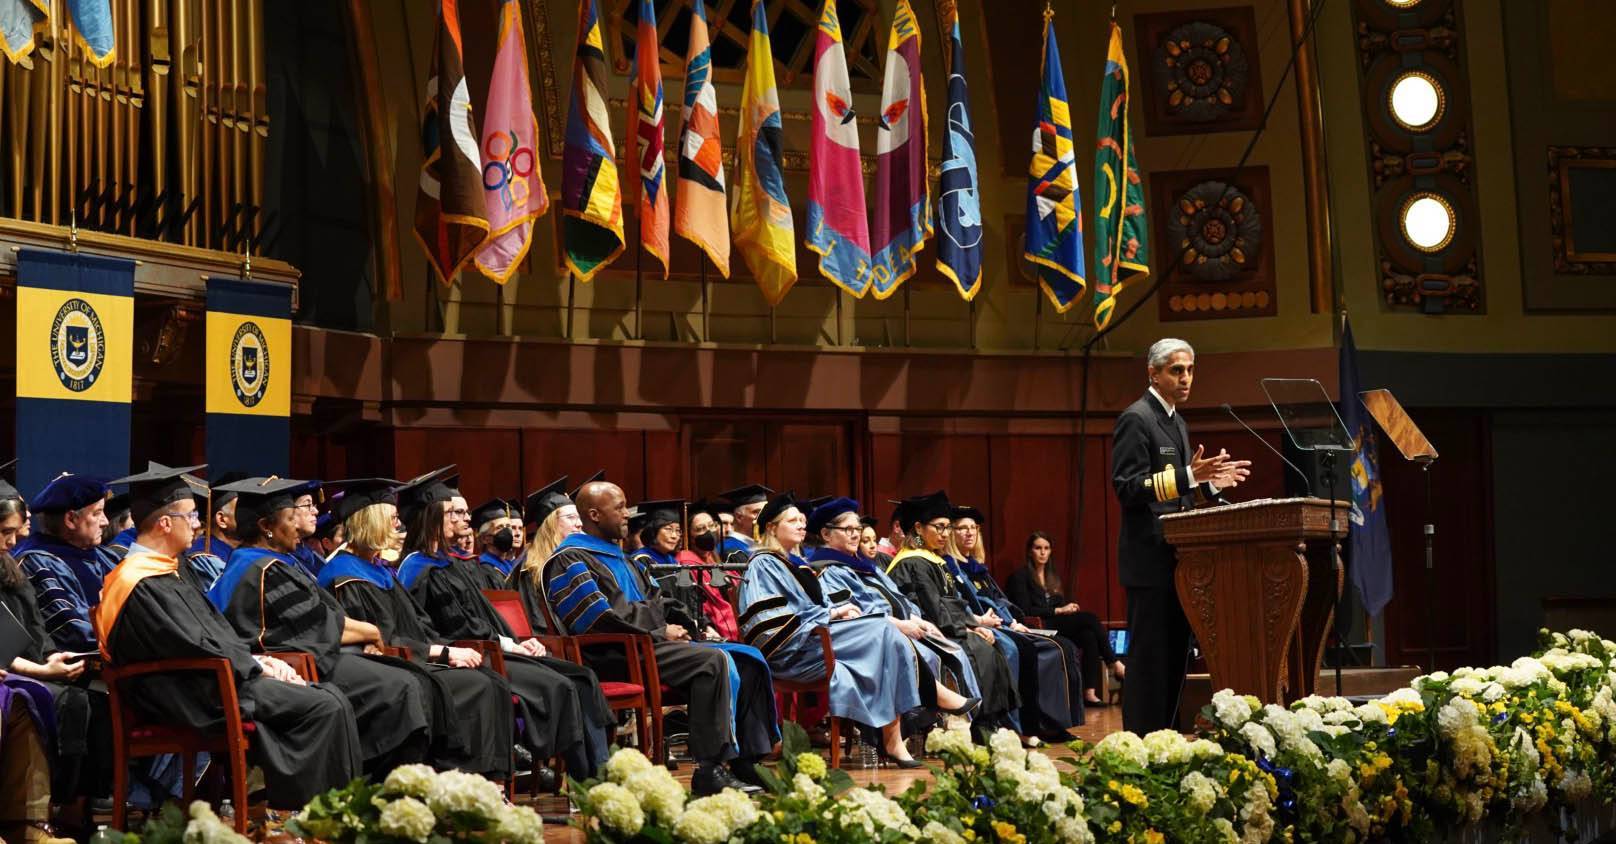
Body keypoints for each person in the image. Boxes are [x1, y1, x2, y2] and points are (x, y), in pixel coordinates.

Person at [96, 465, 362, 809]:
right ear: (165, 523)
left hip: (214, 680)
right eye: (190, 515)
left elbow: (211, 633)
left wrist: (259, 660)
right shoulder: (138, 581)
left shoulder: (169, 570)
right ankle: (302, 816)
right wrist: (255, 666)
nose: (196, 523)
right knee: (322, 706)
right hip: (193, 694)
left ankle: (337, 815)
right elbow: (188, 644)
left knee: (332, 696)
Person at [534, 481, 778, 796]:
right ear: (594, 514)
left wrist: (684, 623)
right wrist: (660, 631)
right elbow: (597, 620)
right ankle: (709, 769)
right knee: (713, 661)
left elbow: (656, 601)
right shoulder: (570, 559)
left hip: (649, 646)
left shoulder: (623, 558)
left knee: (748, 659)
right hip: (614, 655)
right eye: (619, 507)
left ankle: (747, 761)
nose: (627, 515)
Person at [206, 477, 433, 777]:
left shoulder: (268, 562)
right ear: (266, 527)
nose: (299, 527)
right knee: (402, 686)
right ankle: (376, 784)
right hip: (294, 666)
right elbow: (318, 626)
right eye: (290, 519)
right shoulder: (262, 569)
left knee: (410, 679)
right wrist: (372, 632)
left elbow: (319, 619)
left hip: (310, 655)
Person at [398, 467, 612, 779]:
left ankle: (603, 771)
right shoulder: (418, 569)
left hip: (495, 648)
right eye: (451, 514)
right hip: (472, 655)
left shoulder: (451, 565)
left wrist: (516, 641)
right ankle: (586, 779)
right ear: (430, 518)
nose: (461, 520)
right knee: (561, 685)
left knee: (582, 676)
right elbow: (455, 628)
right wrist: (508, 644)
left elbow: (482, 616)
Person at [740, 494, 980, 768]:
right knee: (884, 631)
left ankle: (894, 739)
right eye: (793, 520)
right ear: (772, 527)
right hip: (792, 651)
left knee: (886, 637)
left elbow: (823, 606)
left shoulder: (799, 564)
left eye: (803, 521)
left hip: (818, 640)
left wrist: (840, 612)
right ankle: (926, 702)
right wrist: (832, 612)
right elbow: (770, 620)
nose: (801, 526)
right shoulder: (764, 563)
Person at [317, 479, 515, 780]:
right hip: (386, 666)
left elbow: (417, 623)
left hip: (412, 655)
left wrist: (442, 647)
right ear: (373, 523)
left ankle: (488, 782)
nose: (399, 526)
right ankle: (456, 781)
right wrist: (442, 652)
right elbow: (382, 639)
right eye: (392, 519)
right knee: (478, 685)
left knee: (492, 680)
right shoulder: (345, 574)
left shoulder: (378, 569)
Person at [1113, 338, 1251, 733]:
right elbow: (1127, 488)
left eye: (1190, 370)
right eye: (1177, 370)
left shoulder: (1177, 421)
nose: (1186, 378)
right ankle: (1140, 740)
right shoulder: (1137, 419)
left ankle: (1166, 737)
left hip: (1179, 560)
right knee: (1149, 660)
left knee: (1175, 658)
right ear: (1153, 373)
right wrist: (1192, 476)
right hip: (1149, 561)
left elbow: (1179, 492)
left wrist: (1209, 486)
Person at [0, 481, 112, 821]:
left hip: (20, 664)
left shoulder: (9, 567)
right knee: (55, 699)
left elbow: (31, 629)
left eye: (15, 531)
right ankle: (36, 815)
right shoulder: (34, 558)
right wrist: (43, 670)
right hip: (13, 671)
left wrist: (49, 657)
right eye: (4, 532)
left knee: (94, 698)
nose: (12, 541)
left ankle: (75, 805)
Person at [807, 499, 982, 710]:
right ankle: (920, 729)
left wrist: (919, 620)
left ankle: (959, 727)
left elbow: (898, 598)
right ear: (826, 534)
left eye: (857, 528)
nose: (856, 535)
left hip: (899, 627)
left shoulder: (866, 566)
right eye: (848, 529)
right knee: (924, 655)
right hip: (870, 638)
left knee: (952, 650)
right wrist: (899, 626)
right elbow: (856, 615)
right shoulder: (827, 570)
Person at [884, 491, 1017, 735]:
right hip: (928, 632)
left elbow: (952, 602)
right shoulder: (911, 563)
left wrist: (973, 625)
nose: (945, 534)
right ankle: (977, 726)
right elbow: (931, 608)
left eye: (947, 528)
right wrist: (966, 628)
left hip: (948, 626)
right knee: (977, 650)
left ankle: (993, 723)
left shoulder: (933, 560)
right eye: (939, 527)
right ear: (918, 528)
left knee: (992, 646)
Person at [945, 507, 1084, 739]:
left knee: (1062, 647)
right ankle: (1020, 725)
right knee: (1026, 650)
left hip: (1003, 623)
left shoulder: (977, 568)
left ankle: (1051, 722)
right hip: (985, 626)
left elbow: (999, 600)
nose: (970, 533)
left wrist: (1014, 621)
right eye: (962, 528)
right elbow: (972, 603)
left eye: (974, 528)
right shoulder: (951, 567)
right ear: (952, 533)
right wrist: (1006, 624)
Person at [1004, 531, 1124, 706]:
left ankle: (1089, 694)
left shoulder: (1052, 577)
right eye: (1038, 548)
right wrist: (1059, 610)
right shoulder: (1020, 577)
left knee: (1088, 635)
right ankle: (1113, 663)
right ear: (1030, 551)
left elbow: (1058, 603)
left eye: (1046, 548)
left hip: (1056, 623)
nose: (1043, 552)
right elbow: (1025, 609)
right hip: (1037, 626)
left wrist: (1068, 609)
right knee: (1090, 618)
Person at [14, 474, 117, 654]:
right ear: (70, 519)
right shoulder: (38, 563)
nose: (105, 522)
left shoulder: (107, 556)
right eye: (97, 513)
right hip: (77, 673)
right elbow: (72, 631)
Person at [471, 498, 524, 587]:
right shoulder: (483, 568)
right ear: (485, 538)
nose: (506, 531)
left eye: (508, 526)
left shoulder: (510, 565)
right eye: (499, 527)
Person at [717, 483, 771, 562]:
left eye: (765, 511)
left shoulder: (764, 545)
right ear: (739, 517)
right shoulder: (729, 549)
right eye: (756, 512)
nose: (763, 516)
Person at [285, 486, 328, 578]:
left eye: (313, 505)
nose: (316, 511)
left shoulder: (308, 551)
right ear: (287, 512)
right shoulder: (283, 559)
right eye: (308, 505)